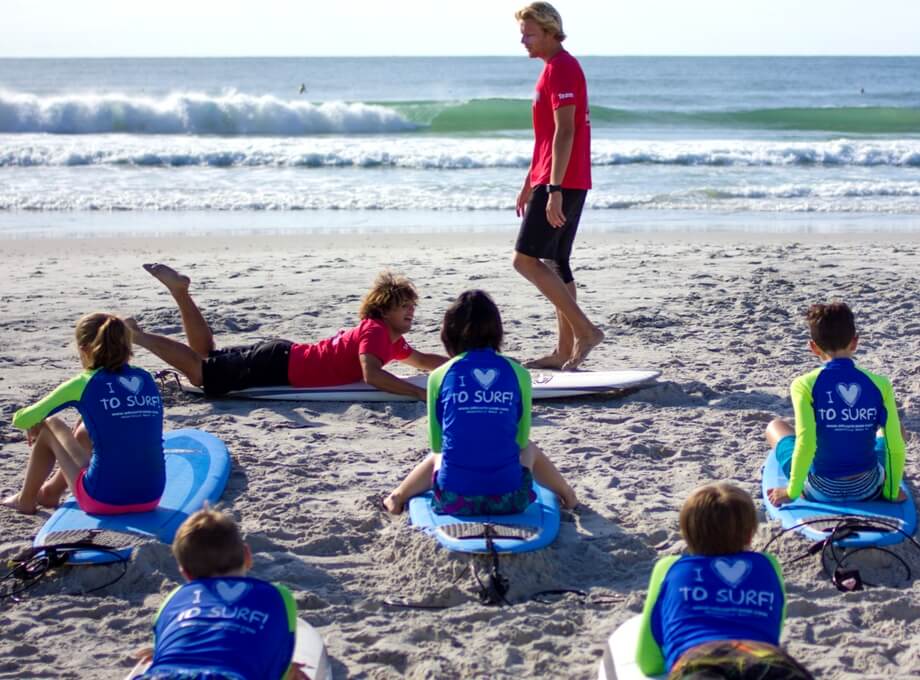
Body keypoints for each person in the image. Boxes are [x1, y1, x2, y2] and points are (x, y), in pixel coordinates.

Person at [383, 290, 577, 515]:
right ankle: (568, 495)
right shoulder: (519, 374)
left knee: (443, 453)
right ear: (496, 331)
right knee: (529, 449)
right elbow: (521, 439)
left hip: (452, 500)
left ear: (449, 333)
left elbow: (437, 444)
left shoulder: (439, 376)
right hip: (511, 500)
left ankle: (397, 496)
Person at [129, 263, 446, 400]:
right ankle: (138, 335)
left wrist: (464, 361)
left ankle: (180, 292)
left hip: (282, 356)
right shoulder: (376, 332)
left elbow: (420, 360)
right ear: (383, 309)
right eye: (403, 305)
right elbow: (372, 376)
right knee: (201, 374)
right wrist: (419, 393)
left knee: (206, 355)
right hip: (279, 365)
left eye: (412, 305)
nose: (411, 310)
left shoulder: (389, 340)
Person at [636, 483, 813, 679]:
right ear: (749, 534)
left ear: (686, 533)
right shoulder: (768, 565)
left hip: (699, 660)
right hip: (765, 658)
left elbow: (649, 662)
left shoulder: (670, 567)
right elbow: (772, 630)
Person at [513, 2, 604, 371]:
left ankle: (585, 330)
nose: (523, 41)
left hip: (561, 180)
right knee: (556, 262)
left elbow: (566, 131)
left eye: (529, 33)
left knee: (524, 260)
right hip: (552, 176)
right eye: (522, 33)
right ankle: (564, 351)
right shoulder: (551, 70)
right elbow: (546, 137)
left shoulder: (563, 68)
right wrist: (528, 182)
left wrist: (553, 189)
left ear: (551, 31)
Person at [3, 313, 165, 515]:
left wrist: (37, 420)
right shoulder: (145, 378)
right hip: (150, 497)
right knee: (87, 428)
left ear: (85, 349)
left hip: (102, 499)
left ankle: (25, 500)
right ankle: (50, 492)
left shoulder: (84, 382)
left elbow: (22, 419)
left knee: (49, 423)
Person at [128, 509, 305, 680]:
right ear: (248, 555)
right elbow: (277, 664)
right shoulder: (277, 596)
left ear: (185, 573)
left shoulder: (175, 597)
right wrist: (289, 670)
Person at [766, 302, 907, 506]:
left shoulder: (804, 385)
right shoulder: (880, 384)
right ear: (855, 342)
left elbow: (806, 443)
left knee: (776, 426)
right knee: (897, 430)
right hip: (868, 487)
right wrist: (892, 491)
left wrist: (792, 491)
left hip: (820, 489)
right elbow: (895, 446)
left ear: (813, 347)